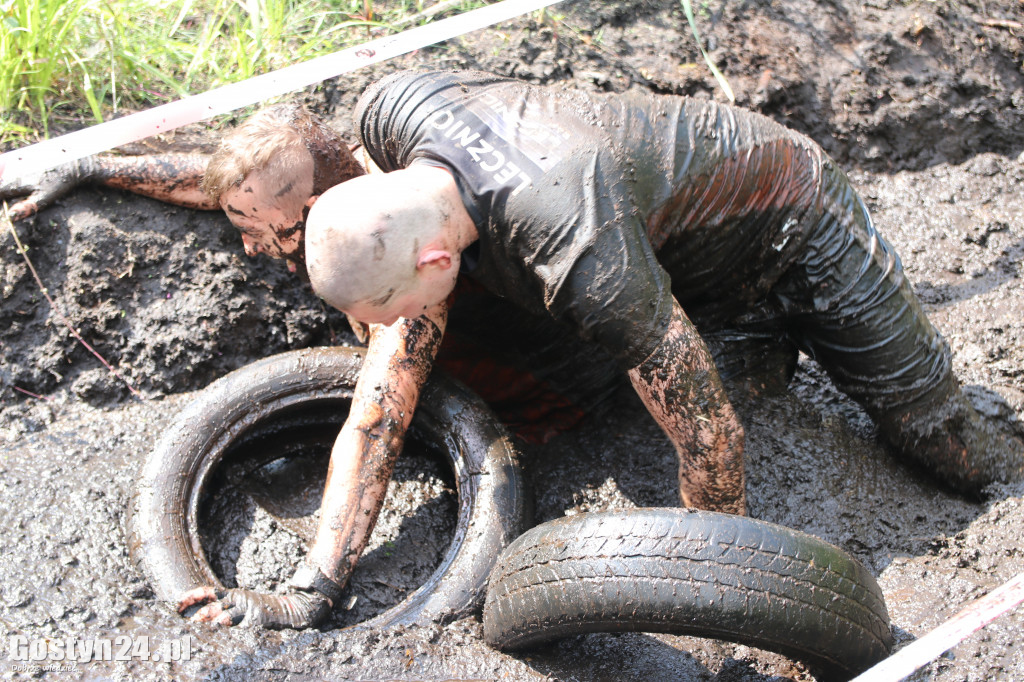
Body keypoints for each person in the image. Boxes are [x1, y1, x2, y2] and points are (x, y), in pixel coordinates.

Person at [2, 71, 1021, 631]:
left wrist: (724, 593)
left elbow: (703, 426)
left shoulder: (577, 255)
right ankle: (765, 336)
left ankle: (962, 430)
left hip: (790, 216)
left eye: (395, 303)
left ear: (431, 252)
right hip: (677, 247)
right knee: (604, 366)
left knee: (949, 450)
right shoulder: (384, 120)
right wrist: (95, 158)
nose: (387, 330)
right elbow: (267, 184)